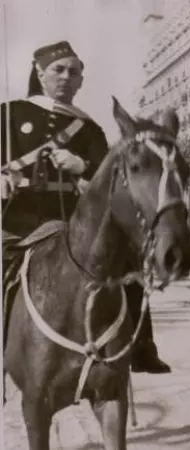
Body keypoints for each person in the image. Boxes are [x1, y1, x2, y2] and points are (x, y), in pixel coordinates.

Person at [1, 41, 170, 373]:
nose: (65, 77)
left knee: (129, 266)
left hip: (69, 222)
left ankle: (141, 347)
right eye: (58, 70)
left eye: (73, 72)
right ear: (40, 73)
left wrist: (81, 165)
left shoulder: (90, 129)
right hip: (16, 219)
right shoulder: (8, 114)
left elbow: (107, 182)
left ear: (81, 80)